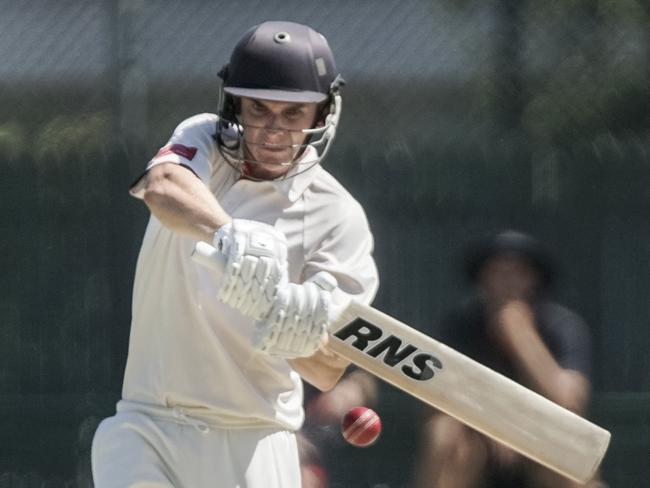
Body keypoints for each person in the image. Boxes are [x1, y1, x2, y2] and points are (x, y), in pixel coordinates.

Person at [91, 21, 378, 488]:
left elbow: (327, 369)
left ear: (323, 112)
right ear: (234, 104)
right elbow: (163, 187)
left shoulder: (338, 217)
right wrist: (232, 237)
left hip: (254, 442)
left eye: (292, 114)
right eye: (259, 109)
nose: (272, 130)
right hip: (146, 423)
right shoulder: (204, 143)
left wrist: (279, 315)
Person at [413, 230, 598, 488]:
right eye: (498, 272)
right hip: (478, 442)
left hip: (539, 442)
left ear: (534, 280)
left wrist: (520, 336)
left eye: (518, 272)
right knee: (444, 433)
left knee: (574, 456)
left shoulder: (562, 326)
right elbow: (435, 402)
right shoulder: (461, 326)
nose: (507, 282)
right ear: (482, 279)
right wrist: (494, 427)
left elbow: (569, 403)